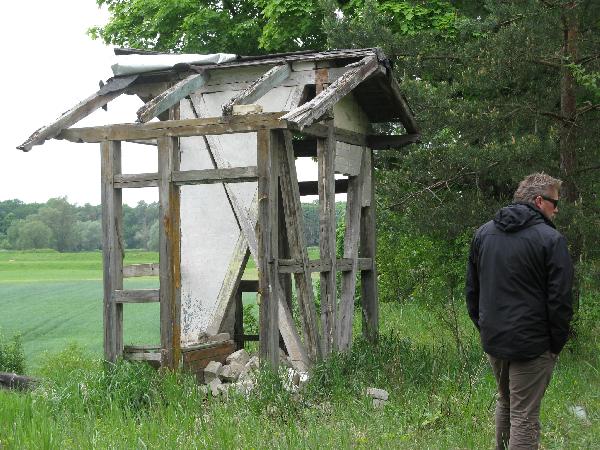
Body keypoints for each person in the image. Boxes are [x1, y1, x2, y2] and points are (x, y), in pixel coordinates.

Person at [465, 173, 573, 449]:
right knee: (524, 416)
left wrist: (486, 328)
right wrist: (555, 344)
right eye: (554, 202)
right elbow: (560, 301)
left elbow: (472, 293)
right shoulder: (551, 239)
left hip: (495, 339)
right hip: (532, 344)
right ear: (539, 200)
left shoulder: (484, 233)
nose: (556, 209)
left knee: (507, 402)